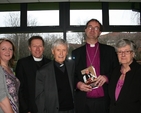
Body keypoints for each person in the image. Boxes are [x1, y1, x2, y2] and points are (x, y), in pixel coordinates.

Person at [71, 18, 119, 113]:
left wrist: (106, 77)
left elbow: (117, 71)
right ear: (85, 30)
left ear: (100, 32)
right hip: (83, 101)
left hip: (104, 101)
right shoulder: (76, 53)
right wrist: (78, 84)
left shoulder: (109, 51)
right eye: (90, 27)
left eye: (96, 28)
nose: (92, 30)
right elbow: (71, 74)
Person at [36, 39, 75, 113]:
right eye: (58, 50)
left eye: (64, 50)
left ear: (67, 52)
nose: (61, 53)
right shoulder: (43, 72)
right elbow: (40, 98)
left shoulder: (72, 66)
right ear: (53, 51)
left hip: (71, 110)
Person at [15, 36, 51, 113]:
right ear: (29, 48)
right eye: (34, 46)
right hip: (29, 109)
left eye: (40, 46)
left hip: (48, 108)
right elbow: (19, 88)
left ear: (43, 48)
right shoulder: (22, 63)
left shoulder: (50, 63)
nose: (37, 49)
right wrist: (25, 109)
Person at [109, 39, 141, 113]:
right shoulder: (115, 71)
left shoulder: (139, 72)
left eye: (127, 51)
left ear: (133, 53)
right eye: (120, 52)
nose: (123, 55)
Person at [0, 38, 20, 113]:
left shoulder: (10, 70)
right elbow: (1, 98)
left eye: (10, 49)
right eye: (3, 49)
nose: (7, 51)